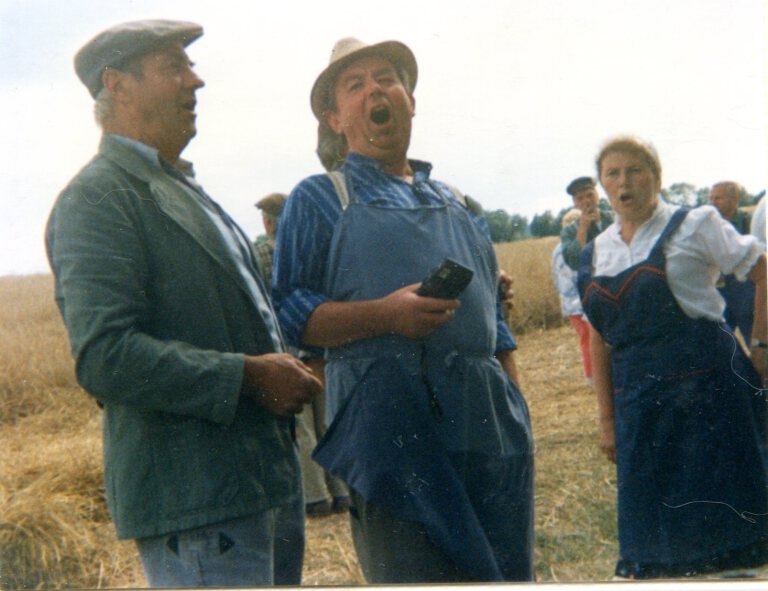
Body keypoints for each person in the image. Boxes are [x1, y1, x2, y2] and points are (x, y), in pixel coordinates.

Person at [45, 20, 322, 587]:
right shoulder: (97, 199)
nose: (196, 81)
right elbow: (105, 358)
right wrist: (249, 376)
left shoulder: (180, 189)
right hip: (200, 506)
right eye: (174, 67)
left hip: (258, 487)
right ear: (117, 85)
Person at [272, 37, 534, 583]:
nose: (375, 90)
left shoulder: (457, 200)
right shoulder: (321, 197)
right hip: (390, 428)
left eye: (386, 78)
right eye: (355, 85)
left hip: (486, 421)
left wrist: (516, 410)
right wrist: (386, 316)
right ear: (334, 119)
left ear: (411, 101)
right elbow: (291, 313)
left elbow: (495, 321)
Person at [577, 135, 768, 580]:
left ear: (657, 177)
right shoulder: (595, 251)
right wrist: (607, 420)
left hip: (711, 399)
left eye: (635, 170)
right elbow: (599, 340)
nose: (625, 182)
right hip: (640, 410)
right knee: (661, 559)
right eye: (613, 173)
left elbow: (763, 270)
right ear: (603, 185)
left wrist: (761, 345)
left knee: (735, 551)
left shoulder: (696, 224)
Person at [254, 192, 349, 517]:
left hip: (287, 344)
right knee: (326, 418)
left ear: (269, 222)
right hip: (320, 341)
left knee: (302, 424)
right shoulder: (310, 250)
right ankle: (341, 492)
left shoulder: (265, 252)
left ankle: (315, 497)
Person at [710, 181, 756, 343]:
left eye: (718, 198)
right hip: (718, 291)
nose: (713, 202)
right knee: (720, 342)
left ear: (734, 199)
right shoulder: (709, 225)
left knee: (753, 338)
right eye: (711, 198)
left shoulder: (749, 222)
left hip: (746, 290)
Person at [551, 208, 591, 380]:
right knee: (591, 339)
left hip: (569, 304)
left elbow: (555, 277)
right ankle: (594, 376)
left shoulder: (556, 250)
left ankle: (591, 375)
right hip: (582, 302)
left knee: (585, 339)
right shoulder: (578, 248)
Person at [560, 175, 613, 269]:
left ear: (597, 195)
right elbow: (573, 262)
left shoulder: (614, 218)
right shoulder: (569, 231)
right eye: (580, 198)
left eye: (590, 195)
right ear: (575, 203)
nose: (586, 201)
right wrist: (583, 228)